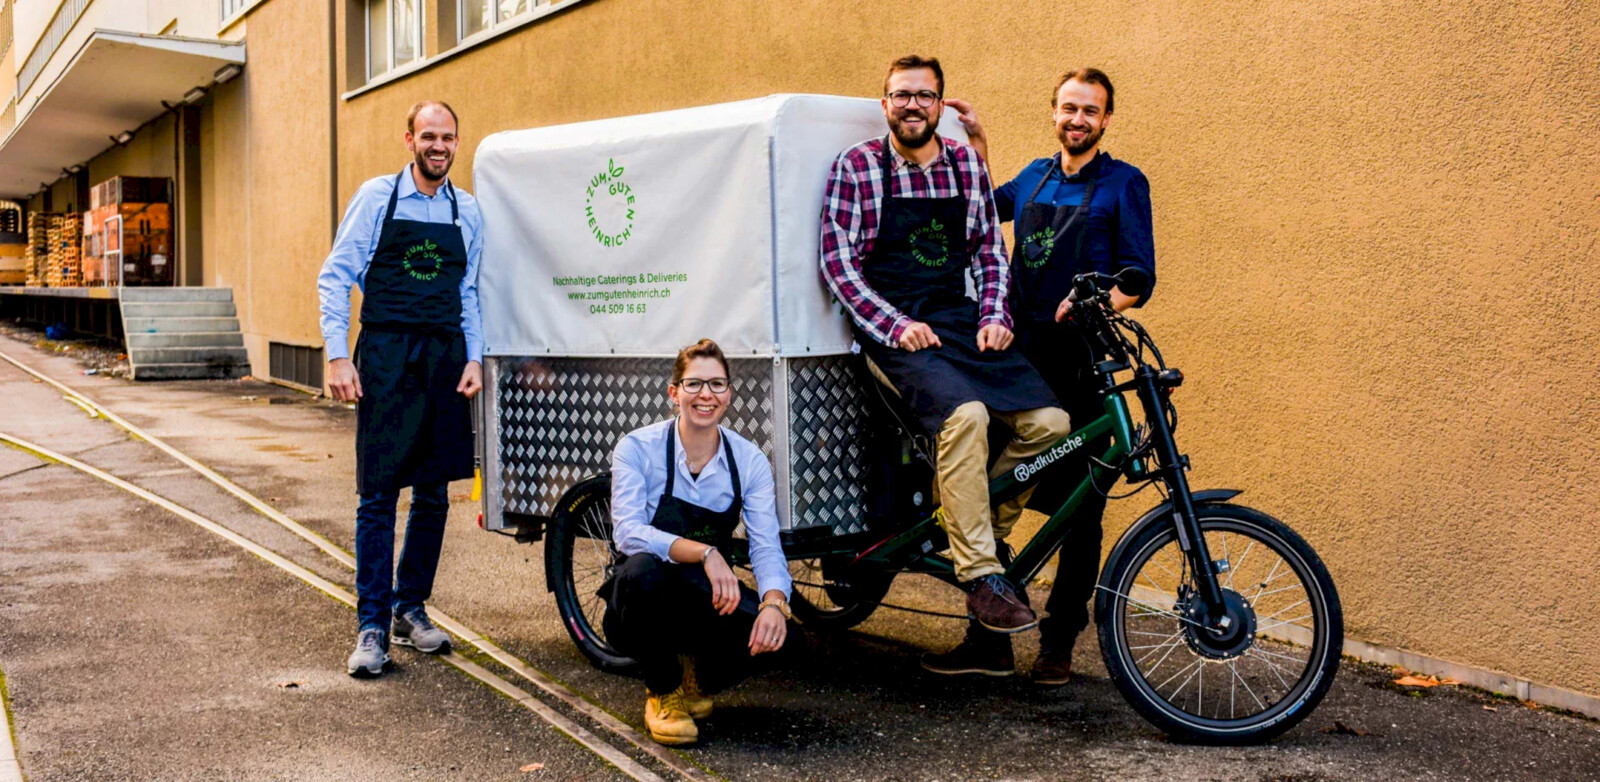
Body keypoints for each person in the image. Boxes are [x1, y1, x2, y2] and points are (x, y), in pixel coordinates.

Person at [819, 55, 1072, 638]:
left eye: (924, 95)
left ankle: (970, 528)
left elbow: (988, 250)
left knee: (1052, 425)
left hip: (958, 319)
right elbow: (838, 264)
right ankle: (981, 573)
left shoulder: (964, 163)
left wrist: (994, 315)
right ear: (885, 104)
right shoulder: (857, 166)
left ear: (939, 104)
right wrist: (893, 325)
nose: (912, 105)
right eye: (901, 95)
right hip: (895, 327)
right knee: (968, 416)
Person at [937, 68, 1157, 684]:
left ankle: (1058, 643)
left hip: (1083, 367)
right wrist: (978, 145)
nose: (1077, 119)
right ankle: (988, 638)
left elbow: (1138, 277)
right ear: (1054, 112)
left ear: (1106, 119)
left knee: (1082, 511)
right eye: (1068, 108)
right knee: (996, 487)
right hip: (1019, 361)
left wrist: (1097, 303)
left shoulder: (1124, 182)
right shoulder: (1034, 175)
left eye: (1090, 110)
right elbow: (982, 212)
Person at [317, 100, 485, 678]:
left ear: (457, 143)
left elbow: (468, 292)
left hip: (445, 358)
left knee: (434, 494)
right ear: (409, 139)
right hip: (387, 355)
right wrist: (338, 355)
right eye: (429, 136)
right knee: (379, 493)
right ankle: (371, 625)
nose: (439, 146)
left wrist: (475, 357)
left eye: (448, 137)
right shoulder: (376, 197)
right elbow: (336, 276)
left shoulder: (467, 211)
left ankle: (410, 608)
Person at [603, 339, 794, 746]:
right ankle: (663, 690)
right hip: (643, 598)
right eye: (694, 384)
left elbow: (765, 545)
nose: (706, 394)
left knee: (782, 637)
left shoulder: (749, 461)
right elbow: (629, 532)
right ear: (674, 393)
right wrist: (705, 553)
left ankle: (697, 679)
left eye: (717, 384)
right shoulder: (637, 448)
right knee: (641, 573)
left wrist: (775, 603)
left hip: (703, 595)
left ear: (729, 394)